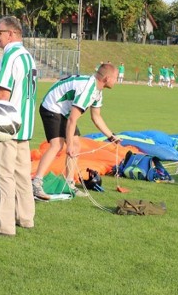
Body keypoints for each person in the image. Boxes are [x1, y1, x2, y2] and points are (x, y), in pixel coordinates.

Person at [0, 16, 37, 237]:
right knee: (22, 174)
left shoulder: (10, 55)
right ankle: (25, 217)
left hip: (6, 128)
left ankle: (3, 225)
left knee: (3, 175)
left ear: (11, 34)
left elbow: (3, 94)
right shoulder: (27, 57)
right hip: (24, 126)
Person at [31, 64, 120, 199]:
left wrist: (111, 136)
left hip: (64, 112)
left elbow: (96, 116)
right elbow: (73, 119)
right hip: (52, 107)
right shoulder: (88, 90)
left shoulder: (97, 91)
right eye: (115, 78)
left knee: (77, 146)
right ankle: (36, 183)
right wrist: (69, 145)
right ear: (107, 78)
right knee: (58, 145)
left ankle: (68, 184)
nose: (117, 81)